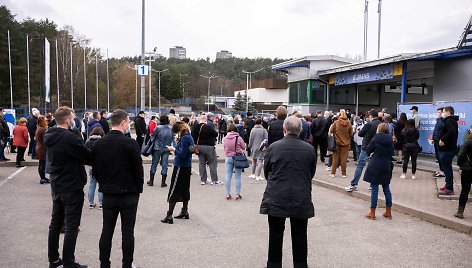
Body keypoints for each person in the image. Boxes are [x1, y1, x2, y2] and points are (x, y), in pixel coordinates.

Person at [260, 116, 316, 268]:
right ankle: (300, 265)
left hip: (277, 195)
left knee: (275, 234)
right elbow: (311, 173)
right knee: (300, 235)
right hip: (300, 195)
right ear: (300, 131)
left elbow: (267, 173)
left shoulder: (273, 147)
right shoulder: (310, 149)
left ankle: (273, 264)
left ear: (285, 130)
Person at [91, 109, 144, 268]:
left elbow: (96, 170)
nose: (128, 125)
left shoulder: (99, 143)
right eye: (128, 122)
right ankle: (126, 264)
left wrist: (104, 185)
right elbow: (138, 170)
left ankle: (104, 264)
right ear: (123, 123)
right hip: (128, 193)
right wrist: (138, 189)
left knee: (107, 230)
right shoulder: (130, 143)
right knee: (127, 232)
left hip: (109, 193)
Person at [44, 106, 91, 268]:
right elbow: (87, 156)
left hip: (57, 183)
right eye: (72, 117)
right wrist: (78, 137)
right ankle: (69, 262)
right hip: (71, 185)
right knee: (71, 225)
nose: (74, 119)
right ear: (67, 120)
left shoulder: (49, 134)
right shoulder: (69, 137)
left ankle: (54, 259)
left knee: (56, 223)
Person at [161, 121, 195, 224]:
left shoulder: (184, 138)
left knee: (174, 189)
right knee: (185, 188)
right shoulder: (189, 136)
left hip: (180, 166)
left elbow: (182, 154)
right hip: (187, 166)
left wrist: (174, 149)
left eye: (177, 132)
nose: (177, 134)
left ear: (180, 130)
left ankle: (169, 215)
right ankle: (184, 211)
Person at [364, 123, 394, 220]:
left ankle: (372, 212)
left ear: (379, 129)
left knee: (374, 189)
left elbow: (368, 150)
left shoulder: (376, 138)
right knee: (386, 189)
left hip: (376, 165)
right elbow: (392, 153)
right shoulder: (390, 139)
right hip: (386, 165)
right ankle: (388, 211)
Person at [345, 110, 381, 192]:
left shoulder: (369, 124)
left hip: (366, 147)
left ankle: (353, 184)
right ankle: (373, 186)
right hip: (377, 148)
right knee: (374, 167)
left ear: (371, 116)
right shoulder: (381, 124)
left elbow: (361, 133)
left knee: (360, 166)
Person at [191, 115, 221, 185]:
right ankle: (214, 180)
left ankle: (203, 180)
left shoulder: (195, 127)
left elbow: (192, 136)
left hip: (199, 147)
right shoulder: (208, 127)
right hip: (209, 147)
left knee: (202, 163)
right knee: (212, 163)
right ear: (205, 120)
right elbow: (216, 134)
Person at [438, 106, 459, 195]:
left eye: (444, 111)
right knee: (447, 168)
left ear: (448, 112)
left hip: (447, 150)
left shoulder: (449, 121)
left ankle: (449, 188)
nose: (443, 113)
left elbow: (452, 132)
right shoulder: (451, 121)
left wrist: (442, 139)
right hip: (447, 149)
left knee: (447, 169)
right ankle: (447, 186)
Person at [223, 123, 247, 200]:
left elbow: (224, 147)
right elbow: (243, 146)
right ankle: (238, 194)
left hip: (228, 157)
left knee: (228, 176)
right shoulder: (238, 138)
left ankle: (227, 194)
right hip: (237, 158)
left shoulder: (225, 138)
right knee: (238, 177)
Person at [148, 115, 173, 187]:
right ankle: (163, 182)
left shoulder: (158, 128)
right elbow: (172, 137)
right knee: (165, 164)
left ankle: (151, 181)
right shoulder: (171, 128)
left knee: (154, 163)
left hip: (157, 148)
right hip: (167, 148)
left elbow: (153, 137)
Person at [328, 111, 353, 178]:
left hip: (336, 143)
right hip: (346, 144)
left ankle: (333, 173)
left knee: (335, 158)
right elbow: (351, 134)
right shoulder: (349, 124)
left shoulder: (336, 122)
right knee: (344, 159)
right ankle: (343, 174)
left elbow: (330, 131)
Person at [85, 127, 105, 209]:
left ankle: (91, 203)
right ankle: (101, 203)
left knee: (92, 185)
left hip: (91, 166)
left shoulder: (87, 141)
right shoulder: (102, 141)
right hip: (101, 166)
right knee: (101, 185)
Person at [455, 132, 472, 219]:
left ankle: (460, 212)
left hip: (467, 170)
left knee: (465, 190)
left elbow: (461, 155)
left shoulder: (468, 142)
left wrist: (461, 164)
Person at [35, 116, 50, 184]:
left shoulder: (38, 128)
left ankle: (43, 177)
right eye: (45, 120)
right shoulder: (43, 129)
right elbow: (46, 140)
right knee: (42, 163)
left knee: (41, 163)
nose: (47, 121)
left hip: (39, 147)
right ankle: (42, 178)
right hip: (42, 148)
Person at [432, 108, 445, 178]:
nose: (439, 114)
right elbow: (436, 130)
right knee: (438, 156)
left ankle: (442, 172)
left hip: (440, 141)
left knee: (440, 157)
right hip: (436, 140)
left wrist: (439, 119)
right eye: (438, 112)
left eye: (440, 112)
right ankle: (441, 171)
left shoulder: (443, 120)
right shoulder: (439, 120)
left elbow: (442, 127)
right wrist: (433, 138)